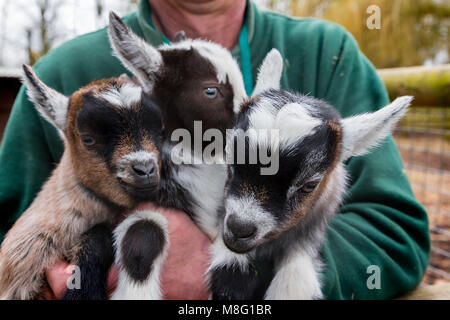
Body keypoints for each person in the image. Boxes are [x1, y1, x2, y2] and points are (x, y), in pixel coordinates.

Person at [0, 0, 430, 300]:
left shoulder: (328, 54)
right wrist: (70, 273)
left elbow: (393, 232)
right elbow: (11, 239)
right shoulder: (63, 74)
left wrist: (259, 273)